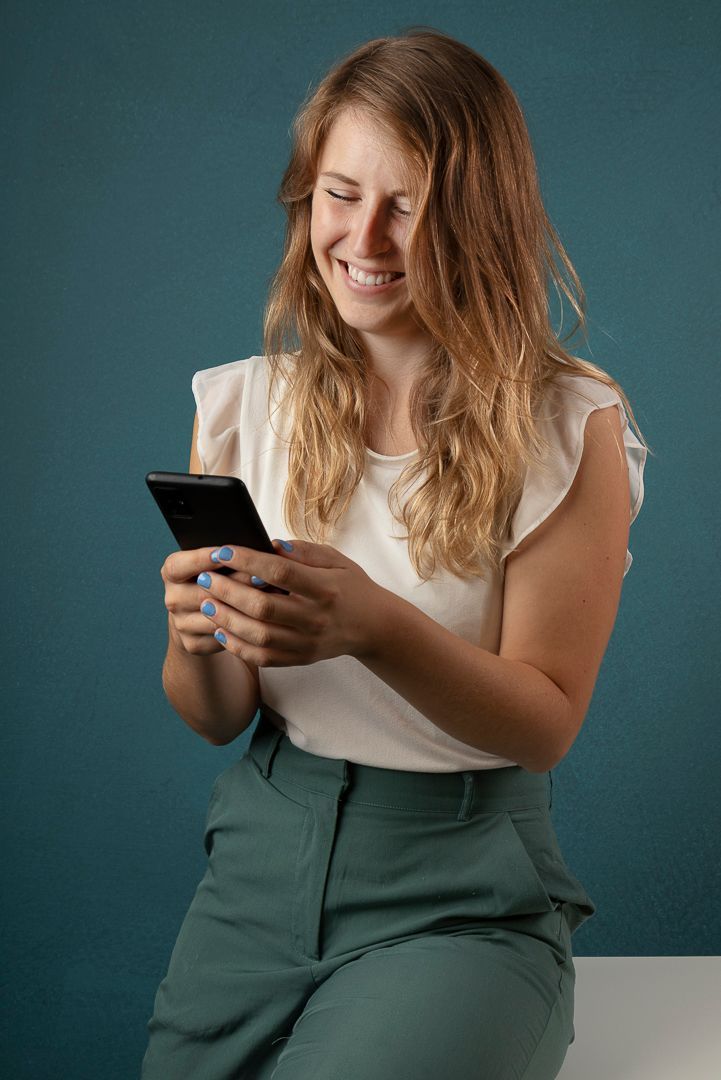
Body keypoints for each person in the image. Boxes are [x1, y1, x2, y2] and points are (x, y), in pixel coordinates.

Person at [141, 27, 648, 1080]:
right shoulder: (238, 408)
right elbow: (218, 715)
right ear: (305, 198)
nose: (364, 235)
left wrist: (372, 626)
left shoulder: (569, 426)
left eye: (409, 203)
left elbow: (544, 722)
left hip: (463, 894)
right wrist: (196, 636)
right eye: (339, 192)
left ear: (480, 218)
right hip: (255, 869)